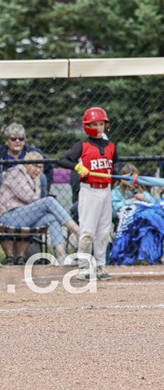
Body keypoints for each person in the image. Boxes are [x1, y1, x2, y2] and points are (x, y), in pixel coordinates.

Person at [59, 107, 119, 281]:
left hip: (105, 191)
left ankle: (100, 265)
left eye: (101, 124)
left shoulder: (111, 146)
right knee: (88, 231)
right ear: (87, 125)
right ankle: (84, 266)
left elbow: (115, 165)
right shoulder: (82, 145)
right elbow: (62, 160)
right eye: (95, 124)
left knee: (104, 232)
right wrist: (78, 167)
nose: (99, 127)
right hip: (89, 190)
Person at [0, 152, 80, 265]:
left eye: (40, 167)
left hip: (26, 217)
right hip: (10, 217)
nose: (37, 170)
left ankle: (62, 256)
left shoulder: (35, 178)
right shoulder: (15, 172)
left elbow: (34, 200)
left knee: (52, 218)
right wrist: (42, 204)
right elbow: (29, 197)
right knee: (49, 201)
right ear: (26, 164)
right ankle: (78, 232)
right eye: (34, 166)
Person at [0, 123, 53, 207]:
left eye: (21, 138)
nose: (17, 141)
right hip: (4, 192)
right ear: (6, 141)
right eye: (13, 139)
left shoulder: (31, 152)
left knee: (41, 177)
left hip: (27, 191)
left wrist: (46, 188)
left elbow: (49, 166)